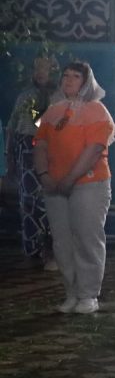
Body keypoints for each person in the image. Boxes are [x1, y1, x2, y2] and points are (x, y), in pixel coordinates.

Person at [33, 60, 115, 314]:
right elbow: (40, 144)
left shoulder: (96, 110)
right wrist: (44, 175)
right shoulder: (53, 110)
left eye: (75, 76)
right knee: (62, 242)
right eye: (66, 75)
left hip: (88, 183)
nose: (68, 80)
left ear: (86, 82)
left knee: (87, 238)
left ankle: (88, 295)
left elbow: (94, 149)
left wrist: (70, 178)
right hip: (54, 184)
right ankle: (71, 292)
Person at [6, 55, 57, 269]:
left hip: (48, 151)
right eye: (37, 68)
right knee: (28, 201)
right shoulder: (25, 96)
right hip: (25, 151)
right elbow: (13, 126)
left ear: (51, 71)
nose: (40, 73)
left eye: (44, 68)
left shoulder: (57, 96)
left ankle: (50, 248)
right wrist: (9, 155)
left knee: (46, 201)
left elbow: (44, 125)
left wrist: (38, 112)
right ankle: (32, 247)